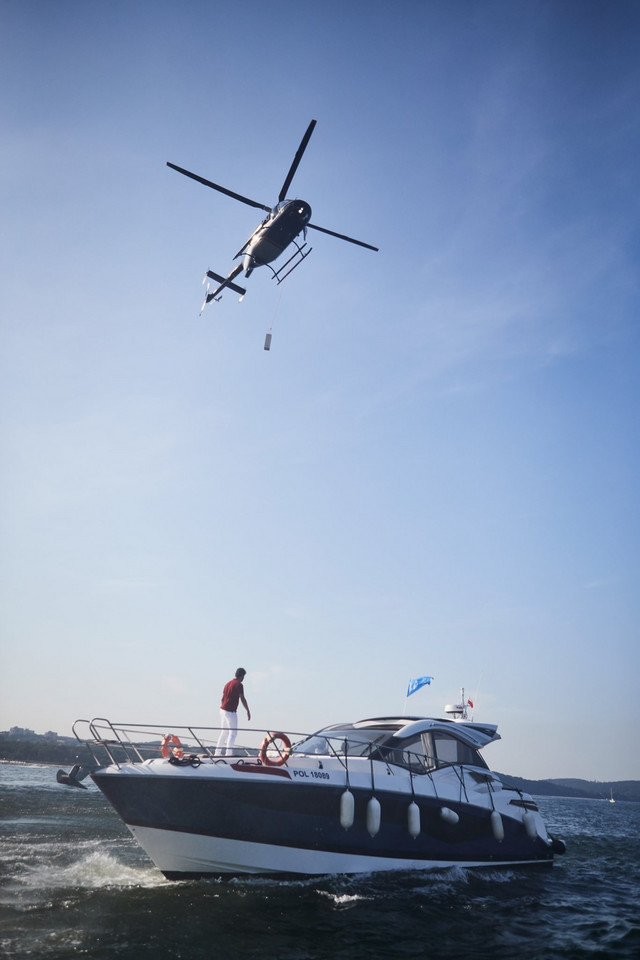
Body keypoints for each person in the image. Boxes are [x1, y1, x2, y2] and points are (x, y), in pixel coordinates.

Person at [215, 668, 251, 756]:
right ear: (242, 676)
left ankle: (217, 753)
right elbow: (242, 698)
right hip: (230, 712)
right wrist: (248, 710)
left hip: (222, 710)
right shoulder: (239, 685)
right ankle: (228, 754)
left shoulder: (227, 684)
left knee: (224, 732)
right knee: (233, 733)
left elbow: (222, 698)